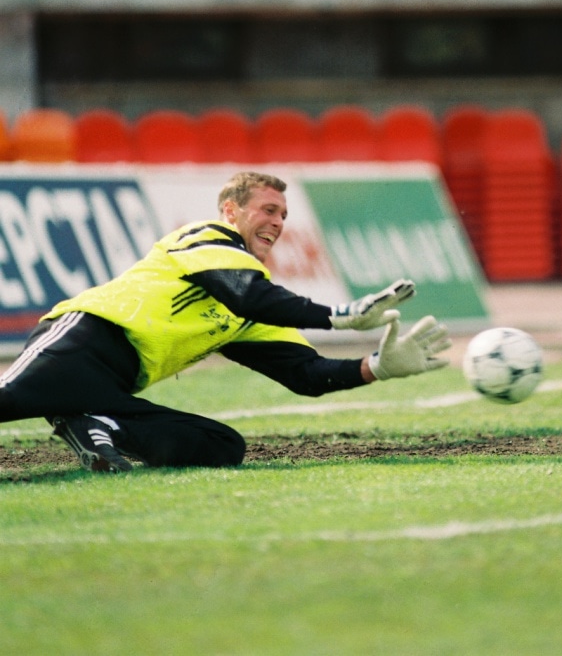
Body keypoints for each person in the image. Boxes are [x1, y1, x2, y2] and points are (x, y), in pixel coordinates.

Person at [0, 171, 451, 473]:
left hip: (115, 386)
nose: (277, 223)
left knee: (221, 446)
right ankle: (85, 417)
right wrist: (337, 317)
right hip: (82, 344)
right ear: (231, 211)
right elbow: (249, 295)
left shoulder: (254, 300)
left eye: (284, 215)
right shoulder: (205, 237)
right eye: (268, 210)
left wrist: (376, 366)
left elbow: (305, 374)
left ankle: (94, 424)